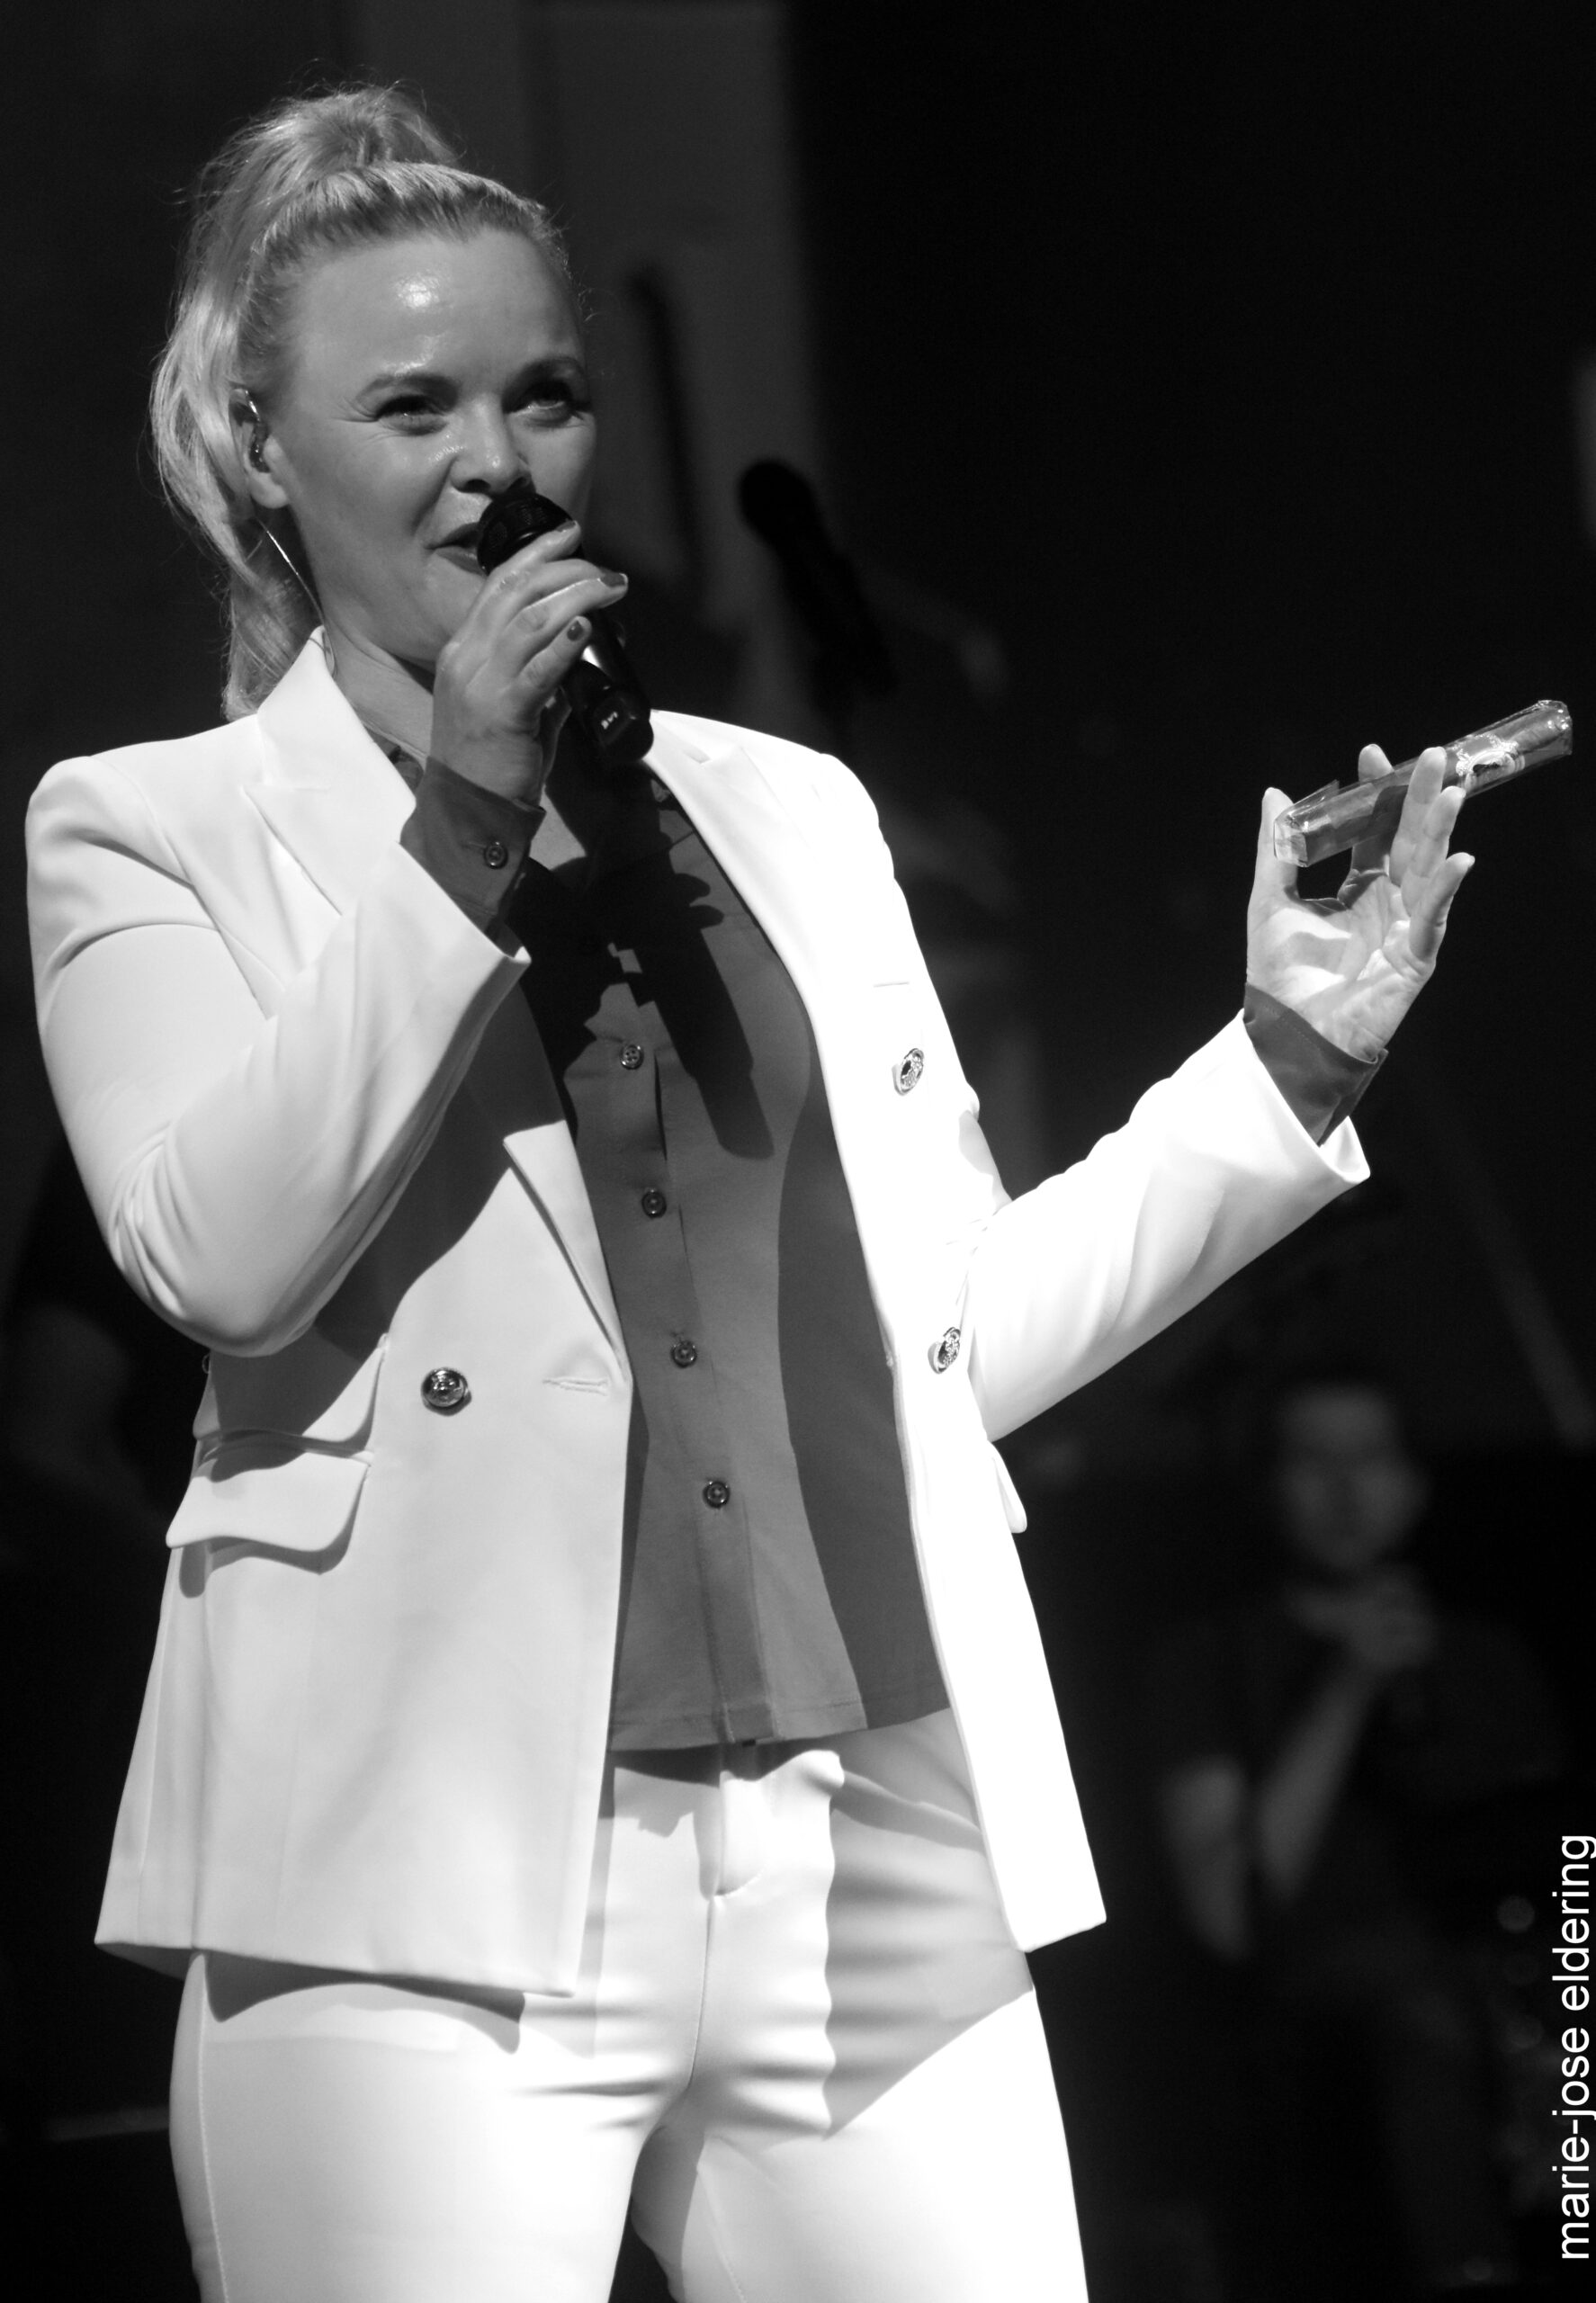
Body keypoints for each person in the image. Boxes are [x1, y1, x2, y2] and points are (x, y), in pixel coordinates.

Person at [24, 84, 1474, 2303]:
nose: (495, 461)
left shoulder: (785, 810)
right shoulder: (152, 828)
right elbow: (219, 1255)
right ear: (257, 447)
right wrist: (465, 818)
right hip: (413, 1890)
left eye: (541, 394)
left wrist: (1284, 1056)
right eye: (411, 406)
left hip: (864, 1849)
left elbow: (944, 1348)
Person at [1152, 1371, 1562, 2297]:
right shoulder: (1208, 1661)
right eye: (1313, 1461)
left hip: (1508, 1986)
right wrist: (1347, 1685)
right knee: (1416, 2010)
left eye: (1369, 1458)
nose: (1345, 1491)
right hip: (1324, 2018)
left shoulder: (1486, 1657)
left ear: (1413, 1483)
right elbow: (1228, 1915)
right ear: (1267, 1487)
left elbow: (1558, 1861)